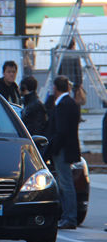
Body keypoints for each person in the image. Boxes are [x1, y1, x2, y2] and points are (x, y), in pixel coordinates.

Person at [46, 75, 80, 229]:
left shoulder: (63, 105)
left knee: (66, 184)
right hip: (68, 148)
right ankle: (68, 216)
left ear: (55, 88)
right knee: (66, 182)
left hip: (63, 150)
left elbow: (61, 131)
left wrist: (54, 148)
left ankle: (70, 217)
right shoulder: (70, 103)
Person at [58, 39, 84, 106]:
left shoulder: (61, 56)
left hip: (62, 79)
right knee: (76, 99)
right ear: (73, 45)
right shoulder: (75, 55)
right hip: (74, 80)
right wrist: (80, 82)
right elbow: (78, 70)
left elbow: (59, 69)